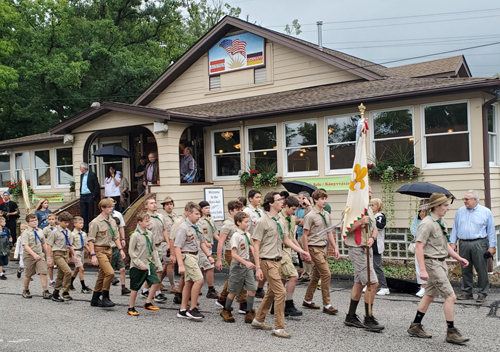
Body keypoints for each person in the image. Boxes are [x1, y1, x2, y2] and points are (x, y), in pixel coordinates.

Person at [407, 192, 470, 345]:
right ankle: (451, 332)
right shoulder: (427, 223)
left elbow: (445, 245)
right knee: (451, 296)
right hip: (432, 263)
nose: (448, 208)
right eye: (446, 205)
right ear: (436, 206)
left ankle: (415, 326)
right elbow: (419, 247)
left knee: (429, 295)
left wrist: (458, 258)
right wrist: (422, 270)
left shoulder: (440, 222)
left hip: (440, 262)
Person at [251, 192, 311, 338]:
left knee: (272, 291)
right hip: (267, 261)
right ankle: (279, 327)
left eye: (282, 200)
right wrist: (258, 267)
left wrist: (301, 251)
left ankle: (258, 320)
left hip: (278, 260)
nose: (282, 202)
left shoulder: (281, 220)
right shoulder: (262, 221)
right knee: (280, 292)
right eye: (279, 200)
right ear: (271, 203)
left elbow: (286, 240)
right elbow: (256, 245)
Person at [344, 186, 384, 331]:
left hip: (367, 248)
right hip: (356, 248)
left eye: (371, 192)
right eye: (367, 192)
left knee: (359, 283)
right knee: (373, 283)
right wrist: (360, 222)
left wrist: (373, 238)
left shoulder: (368, 209)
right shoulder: (351, 208)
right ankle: (368, 317)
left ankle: (350, 316)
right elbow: (345, 229)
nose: (370, 194)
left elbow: (375, 226)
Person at [449, 190, 496, 303]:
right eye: (464, 199)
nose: (464, 201)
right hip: (464, 243)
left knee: (482, 268)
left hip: (479, 242)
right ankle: (467, 292)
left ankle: (482, 293)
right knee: (465, 268)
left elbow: (491, 230)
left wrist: (492, 246)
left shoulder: (485, 212)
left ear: (475, 200)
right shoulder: (460, 211)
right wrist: (452, 242)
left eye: (467, 199)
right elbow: (455, 227)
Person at [302, 189, 340, 315]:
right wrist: (306, 252)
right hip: (314, 247)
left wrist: (335, 247)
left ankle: (307, 300)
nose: (325, 201)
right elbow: (305, 235)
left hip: (323, 247)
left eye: (325, 198)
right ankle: (327, 304)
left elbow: (329, 231)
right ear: (315, 200)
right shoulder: (310, 216)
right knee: (326, 273)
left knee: (316, 276)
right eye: (322, 199)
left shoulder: (326, 214)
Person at [174, 202, 214, 320]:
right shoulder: (183, 227)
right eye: (196, 214)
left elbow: (202, 242)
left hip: (195, 256)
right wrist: (180, 264)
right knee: (199, 280)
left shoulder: (198, 226)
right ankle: (192, 308)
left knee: (189, 282)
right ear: (189, 214)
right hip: (187, 256)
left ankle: (182, 310)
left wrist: (208, 255)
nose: (198, 216)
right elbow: (177, 247)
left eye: (199, 214)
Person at [88, 198, 126, 308]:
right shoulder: (95, 222)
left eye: (112, 206)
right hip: (99, 251)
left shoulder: (112, 221)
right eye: (109, 207)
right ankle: (105, 296)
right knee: (110, 273)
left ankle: (95, 298)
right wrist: (92, 255)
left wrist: (120, 250)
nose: (111, 208)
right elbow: (91, 240)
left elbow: (115, 237)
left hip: (109, 249)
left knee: (102, 275)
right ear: (102, 208)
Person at [220, 211, 257, 323]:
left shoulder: (247, 234)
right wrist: (247, 263)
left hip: (247, 265)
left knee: (252, 289)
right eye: (245, 222)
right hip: (238, 266)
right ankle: (226, 310)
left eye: (248, 221)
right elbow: (234, 255)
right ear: (238, 222)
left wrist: (257, 262)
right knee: (233, 290)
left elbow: (252, 247)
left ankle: (249, 312)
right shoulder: (236, 236)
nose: (248, 224)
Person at [127, 212, 162, 316]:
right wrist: (139, 263)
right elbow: (131, 252)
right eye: (146, 221)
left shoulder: (150, 234)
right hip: (138, 265)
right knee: (135, 287)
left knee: (155, 282)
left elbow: (153, 249)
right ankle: (131, 307)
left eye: (149, 220)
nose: (149, 223)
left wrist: (157, 263)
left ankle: (148, 303)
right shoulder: (135, 235)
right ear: (139, 222)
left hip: (149, 262)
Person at [215, 200, 247, 313]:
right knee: (240, 275)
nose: (240, 212)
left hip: (241, 252)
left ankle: (223, 298)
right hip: (230, 252)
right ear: (231, 211)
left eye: (241, 210)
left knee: (235, 276)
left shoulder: (241, 222)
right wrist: (219, 260)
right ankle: (243, 302)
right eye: (237, 210)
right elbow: (220, 242)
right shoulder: (227, 224)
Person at [278, 196, 303, 316]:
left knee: (282, 279)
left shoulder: (292, 219)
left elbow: (291, 237)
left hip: (288, 251)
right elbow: (284, 239)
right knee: (294, 276)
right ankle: (288, 304)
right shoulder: (279, 218)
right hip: (280, 251)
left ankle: (275, 305)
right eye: (293, 209)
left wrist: (300, 250)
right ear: (285, 206)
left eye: (296, 209)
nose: (294, 212)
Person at [141, 198, 168, 302]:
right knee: (156, 270)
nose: (154, 205)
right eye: (151, 203)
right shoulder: (145, 218)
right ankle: (156, 293)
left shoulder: (161, 216)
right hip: (150, 247)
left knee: (158, 269)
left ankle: (146, 290)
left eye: (155, 203)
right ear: (146, 206)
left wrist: (168, 243)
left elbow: (164, 230)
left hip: (160, 245)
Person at [46, 211, 77, 302]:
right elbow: (49, 245)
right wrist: (49, 259)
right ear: (59, 221)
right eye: (65, 222)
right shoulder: (54, 232)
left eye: (68, 222)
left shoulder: (68, 232)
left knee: (61, 275)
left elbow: (70, 245)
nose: (66, 224)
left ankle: (55, 293)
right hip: (57, 253)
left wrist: (73, 255)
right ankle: (65, 291)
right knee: (68, 272)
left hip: (64, 253)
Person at [20, 214, 51, 299]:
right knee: (28, 274)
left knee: (43, 272)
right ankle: (26, 290)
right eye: (32, 221)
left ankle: (45, 291)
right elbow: (25, 245)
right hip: (29, 255)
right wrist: (34, 255)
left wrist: (48, 255)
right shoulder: (25, 233)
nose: (35, 222)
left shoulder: (40, 231)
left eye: (36, 220)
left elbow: (43, 243)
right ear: (28, 223)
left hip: (39, 254)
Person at [243, 190, 266, 298]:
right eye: (257, 197)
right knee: (250, 268)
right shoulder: (247, 211)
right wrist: (251, 244)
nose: (259, 199)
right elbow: (245, 230)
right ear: (250, 199)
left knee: (261, 266)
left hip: (260, 244)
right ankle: (244, 293)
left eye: (260, 197)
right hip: (250, 244)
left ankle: (259, 289)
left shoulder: (260, 212)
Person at [198, 200, 219, 299]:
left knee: (202, 267)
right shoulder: (199, 220)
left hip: (209, 245)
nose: (208, 210)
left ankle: (197, 288)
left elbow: (215, 233)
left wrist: (221, 241)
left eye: (209, 208)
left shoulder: (210, 219)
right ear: (201, 209)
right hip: (202, 246)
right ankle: (210, 289)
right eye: (205, 208)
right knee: (209, 267)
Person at [410, 199, 430, 298]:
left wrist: (424, 220)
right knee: (419, 266)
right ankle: (423, 287)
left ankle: (431, 287)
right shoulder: (417, 217)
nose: (419, 208)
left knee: (429, 266)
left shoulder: (432, 217)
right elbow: (413, 230)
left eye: (421, 206)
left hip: (429, 245)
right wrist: (421, 219)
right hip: (419, 244)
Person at [371, 198, 389, 296]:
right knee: (369, 265)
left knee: (377, 265)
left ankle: (384, 286)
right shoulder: (370, 216)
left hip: (376, 244)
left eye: (373, 205)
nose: (371, 207)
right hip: (369, 242)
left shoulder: (380, 216)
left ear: (378, 206)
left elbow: (379, 226)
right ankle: (370, 284)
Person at [110, 210, 131, 296]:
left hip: (116, 249)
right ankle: (104, 290)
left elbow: (121, 229)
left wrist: (121, 246)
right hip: (109, 249)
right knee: (108, 271)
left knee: (122, 268)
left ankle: (123, 287)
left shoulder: (117, 230)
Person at [69, 216, 92, 294]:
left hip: (82, 251)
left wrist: (91, 252)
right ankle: (83, 287)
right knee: (81, 269)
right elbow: (70, 245)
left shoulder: (83, 234)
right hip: (76, 252)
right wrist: (73, 254)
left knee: (77, 269)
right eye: (80, 223)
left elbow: (86, 244)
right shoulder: (72, 234)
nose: (82, 224)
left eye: (82, 223)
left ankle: (70, 283)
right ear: (75, 224)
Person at [160, 196, 178, 293]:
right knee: (170, 263)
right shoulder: (162, 217)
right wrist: (168, 243)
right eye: (167, 204)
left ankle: (158, 283)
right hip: (166, 244)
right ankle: (173, 286)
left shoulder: (175, 216)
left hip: (175, 243)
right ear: (164, 207)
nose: (169, 206)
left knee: (167, 265)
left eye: (171, 204)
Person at [295, 191, 313, 282]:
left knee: (308, 254)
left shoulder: (310, 208)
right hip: (299, 234)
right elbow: (297, 221)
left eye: (300, 198)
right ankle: (305, 274)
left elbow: (308, 220)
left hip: (307, 236)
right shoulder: (298, 209)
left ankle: (309, 275)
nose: (298, 200)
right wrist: (301, 221)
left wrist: (306, 208)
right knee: (302, 255)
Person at [79, 162, 100, 232]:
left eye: (80, 167)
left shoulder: (92, 175)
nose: (80, 169)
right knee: (83, 213)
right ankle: (85, 228)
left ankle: (91, 227)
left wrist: (93, 195)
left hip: (89, 195)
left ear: (84, 168)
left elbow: (96, 185)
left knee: (91, 213)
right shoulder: (81, 175)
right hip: (83, 196)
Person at [42, 214, 57, 288]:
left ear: (56, 220)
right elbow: (42, 238)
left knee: (61, 265)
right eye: (49, 219)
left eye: (52, 219)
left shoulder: (58, 228)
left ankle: (60, 280)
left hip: (57, 248)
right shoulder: (46, 229)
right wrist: (46, 240)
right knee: (51, 266)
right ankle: (51, 281)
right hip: (50, 248)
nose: (51, 221)